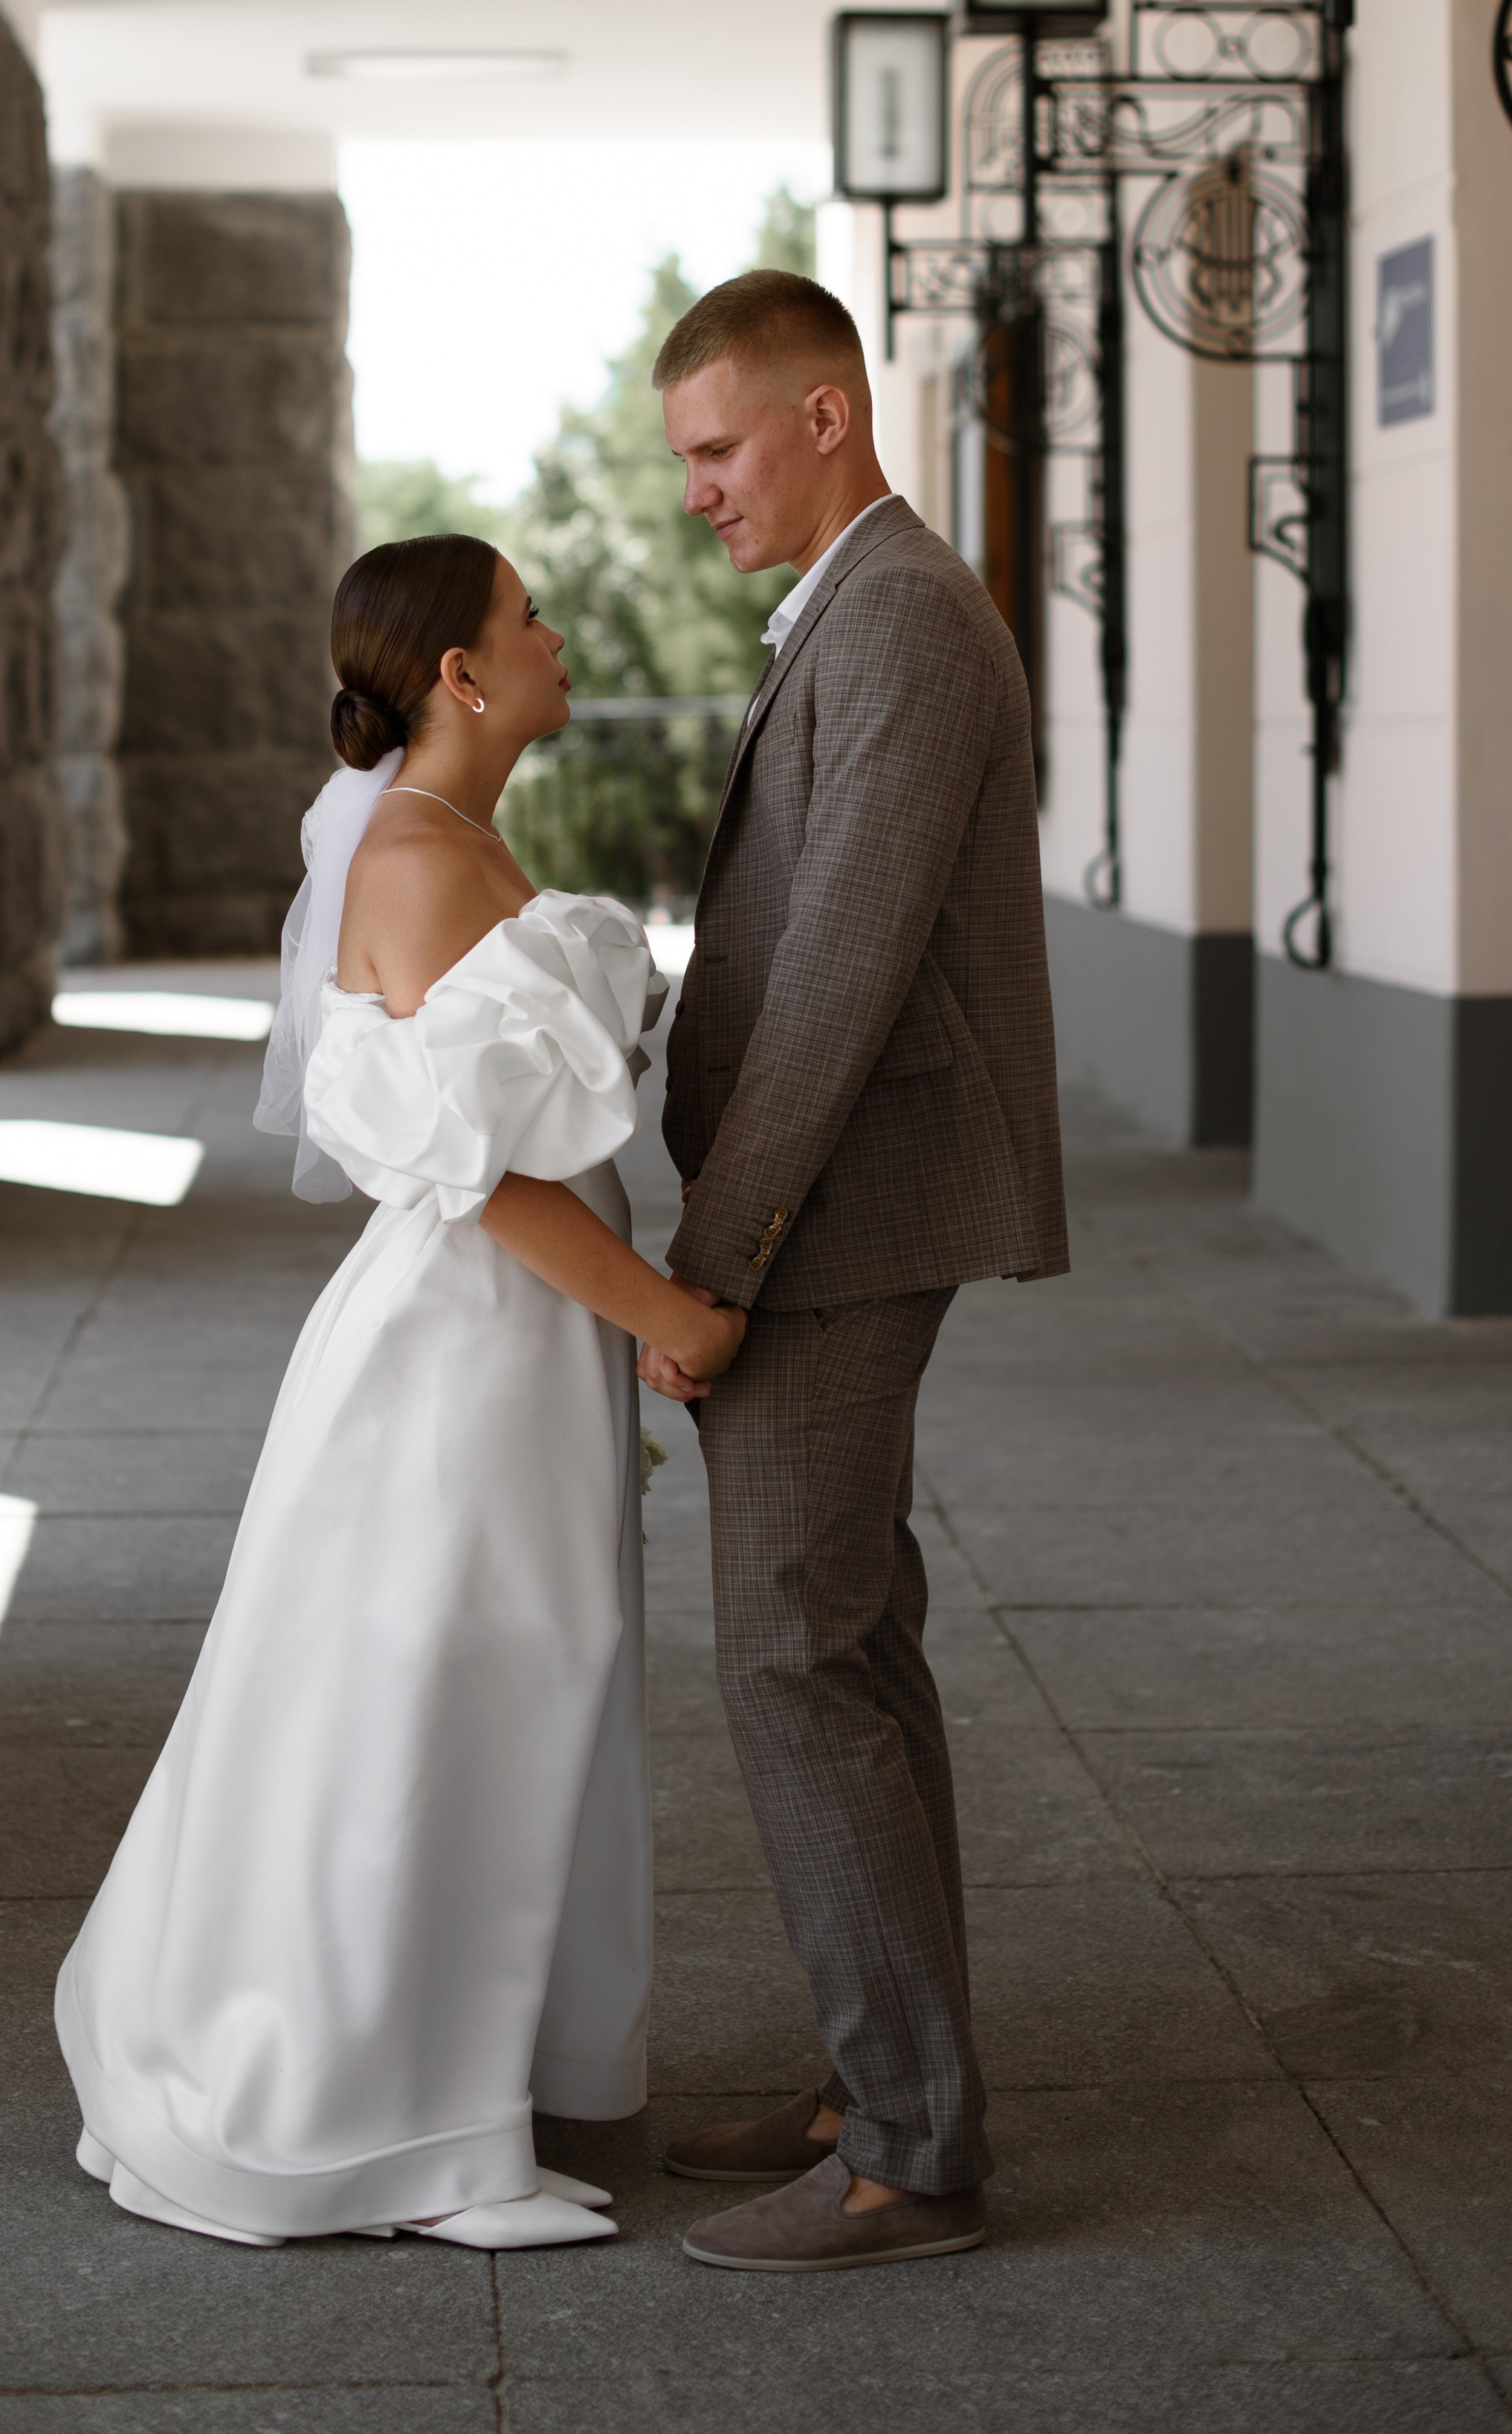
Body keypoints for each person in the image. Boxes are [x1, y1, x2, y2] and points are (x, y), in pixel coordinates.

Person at [56, 533, 746, 2253]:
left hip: (501, 1342)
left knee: (489, 1687)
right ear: (456, 673)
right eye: (528, 619)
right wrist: (671, 1314)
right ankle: (406, 2137)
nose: (557, 635)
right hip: (467, 1348)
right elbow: (487, 1181)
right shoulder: (424, 859)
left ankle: (458, 2088)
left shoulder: (438, 836)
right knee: (447, 1698)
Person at [639, 270, 1068, 2274]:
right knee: (857, 1650)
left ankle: (908, 2149)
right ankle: (879, 2081)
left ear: (826, 417)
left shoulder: (896, 610)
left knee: (791, 1655)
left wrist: (712, 1261)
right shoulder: (858, 601)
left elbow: (842, 972)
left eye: (718, 449)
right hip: (835, 1212)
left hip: (841, 1223)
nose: (698, 491)